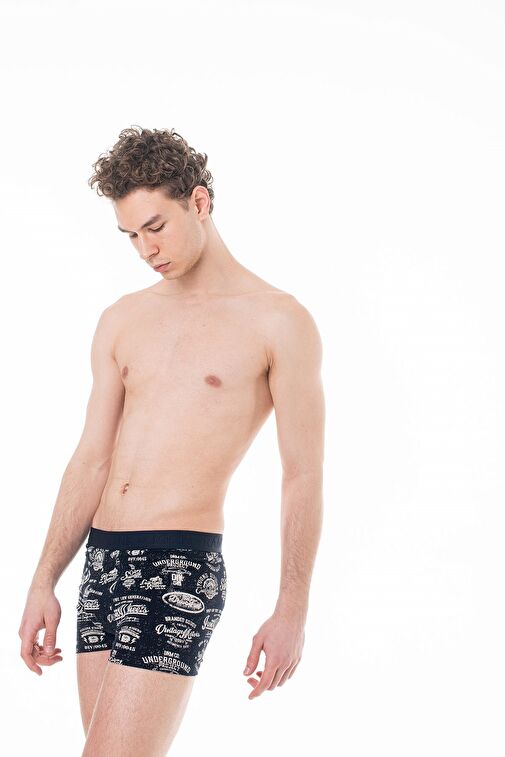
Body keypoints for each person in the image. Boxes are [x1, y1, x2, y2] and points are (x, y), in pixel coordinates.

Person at [18, 125, 325, 755]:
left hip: (176, 563)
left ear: (200, 202)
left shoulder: (279, 321)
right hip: (102, 561)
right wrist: (44, 578)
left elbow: (303, 474)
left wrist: (291, 608)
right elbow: (91, 457)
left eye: (155, 227)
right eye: (131, 235)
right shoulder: (123, 318)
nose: (145, 249)